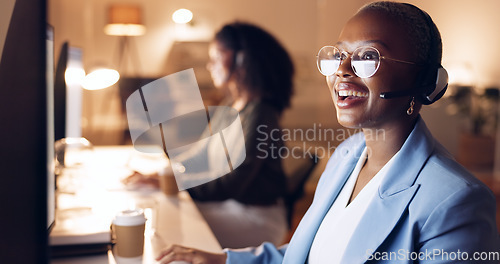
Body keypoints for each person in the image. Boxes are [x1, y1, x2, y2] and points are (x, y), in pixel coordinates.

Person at [155, 1, 500, 263]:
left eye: (368, 57)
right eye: (337, 56)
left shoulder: (456, 203)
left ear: (425, 82)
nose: (342, 72)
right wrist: (222, 259)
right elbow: (311, 251)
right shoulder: (346, 156)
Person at [125, 21, 295, 249]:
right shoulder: (231, 106)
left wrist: (173, 182)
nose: (209, 64)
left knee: (168, 226)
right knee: (163, 212)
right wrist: (160, 175)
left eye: (216, 56)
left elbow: (232, 183)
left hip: (256, 218)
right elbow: (199, 156)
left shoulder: (262, 115)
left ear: (241, 60)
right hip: (230, 206)